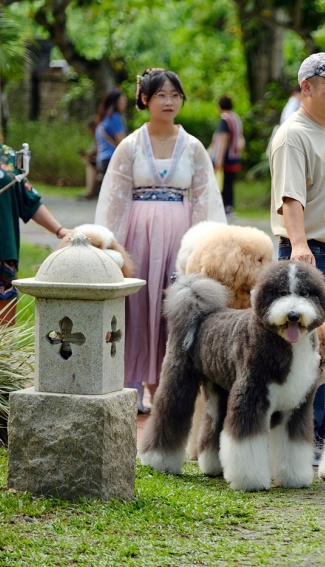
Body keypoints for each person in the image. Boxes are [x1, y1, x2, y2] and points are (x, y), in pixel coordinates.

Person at [95, 68, 226, 412]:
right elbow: (114, 198)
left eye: (175, 95)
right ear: (145, 99)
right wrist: (112, 247)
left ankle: (167, 387)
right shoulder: (130, 146)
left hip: (180, 237)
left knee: (174, 308)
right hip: (138, 235)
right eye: (161, 95)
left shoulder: (194, 147)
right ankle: (131, 383)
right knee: (136, 306)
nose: (169, 102)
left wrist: (202, 247)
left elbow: (205, 199)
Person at [268, 52, 325, 457]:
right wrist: (300, 246)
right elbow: (291, 199)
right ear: (306, 88)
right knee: (307, 347)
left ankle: (324, 429)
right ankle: (301, 433)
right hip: (312, 255)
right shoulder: (295, 134)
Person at [0, 91, 70, 328]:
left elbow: (30, 200)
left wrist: (61, 231)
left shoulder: (6, 156)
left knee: (1, 331)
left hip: (1, 252)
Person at [86, 89, 128, 200]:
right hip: (112, 158)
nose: (125, 103)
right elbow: (122, 142)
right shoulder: (115, 117)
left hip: (102, 160)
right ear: (116, 102)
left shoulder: (103, 119)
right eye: (122, 100)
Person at [211, 95, 245, 215]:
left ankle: (224, 205)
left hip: (225, 156)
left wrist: (219, 158)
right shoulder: (236, 118)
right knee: (230, 182)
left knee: (222, 182)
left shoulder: (225, 119)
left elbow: (224, 138)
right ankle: (229, 206)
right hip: (234, 155)